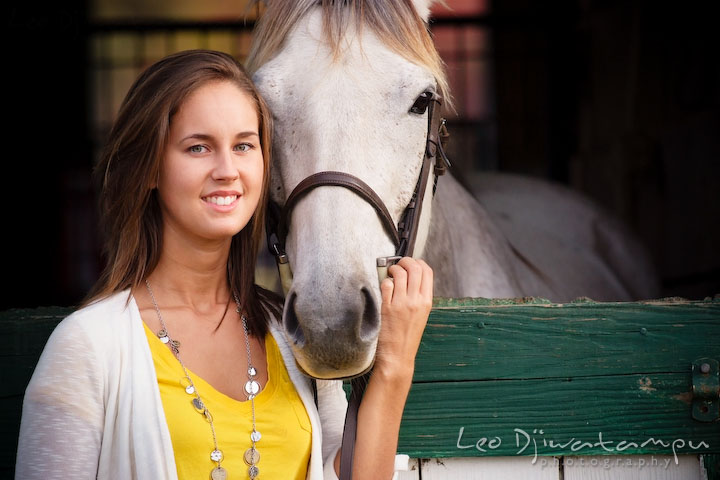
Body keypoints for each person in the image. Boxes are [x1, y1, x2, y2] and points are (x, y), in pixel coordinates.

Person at [15, 49, 433, 480]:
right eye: (198, 147)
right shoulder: (86, 347)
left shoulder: (290, 336)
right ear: (150, 169)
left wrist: (394, 366)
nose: (227, 170)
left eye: (243, 146)